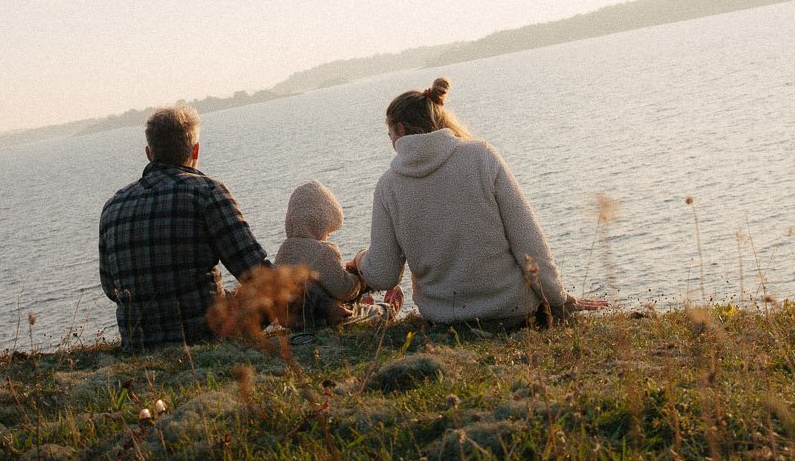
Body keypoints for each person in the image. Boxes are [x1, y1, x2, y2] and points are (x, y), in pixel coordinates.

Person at [352, 77, 574, 328]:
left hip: (446, 321)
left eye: (389, 134)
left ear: (401, 130)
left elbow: (383, 273)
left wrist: (360, 259)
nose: (392, 143)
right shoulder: (481, 156)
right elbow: (528, 240)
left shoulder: (388, 186)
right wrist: (559, 298)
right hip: (514, 312)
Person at [98, 103, 271, 350]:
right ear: (196, 150)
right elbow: (256, 271)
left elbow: (111, 288)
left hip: (138, 344)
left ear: (149, 153)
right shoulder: (207, 192)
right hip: (205, 336)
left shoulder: (112, 207)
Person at [273, 181, 364, 327]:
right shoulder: (322, 251)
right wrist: (357, 277)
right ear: (323, 222)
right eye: (328, 232)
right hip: (323, 320)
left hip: (292, 322)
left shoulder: (284, 249)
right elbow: (344, 290)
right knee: (373, 311)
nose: (328, 236)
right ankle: (385, 308)